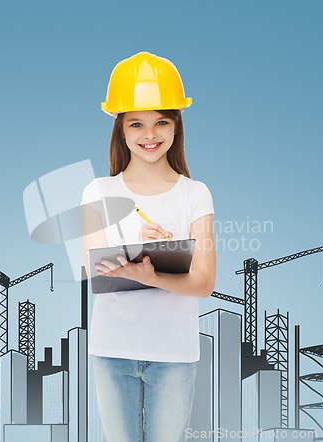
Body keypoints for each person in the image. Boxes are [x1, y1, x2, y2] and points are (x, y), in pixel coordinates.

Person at [81, 51, 216, 442]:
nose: (150, 134)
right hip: (112, 349)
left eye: (161, 121)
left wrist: (151, 272)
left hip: (175, 354)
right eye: (136, 123)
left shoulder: (196, 194)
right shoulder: (98, 191)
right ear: (121, 130)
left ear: (176, 127)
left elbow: (204, 282)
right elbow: (94, 270)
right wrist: (152, 257)